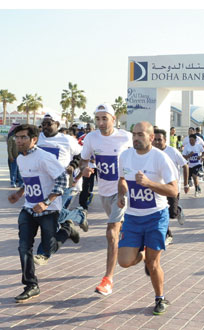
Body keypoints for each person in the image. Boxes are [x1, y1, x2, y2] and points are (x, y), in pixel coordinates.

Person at [8, 124, 77, 303]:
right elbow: (31, 180)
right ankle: (31, 285)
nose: (19, 141)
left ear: (34, 140)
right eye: (17, 137)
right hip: (29, 209)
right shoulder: (20, 159)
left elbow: (62, 179)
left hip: (49, 210)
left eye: (23, 137)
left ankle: (67, 229)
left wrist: (46, 202)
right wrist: (20, 193)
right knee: (24, 247)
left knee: (48, 248)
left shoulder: (44, 158)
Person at [116, 122, 178, 315]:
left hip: (156, 216)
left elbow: (173, 190)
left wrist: (149, 183)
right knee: (124, 262)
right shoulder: (125, 156)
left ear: (151, 138)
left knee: (153, 264)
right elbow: (122, 180)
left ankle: (160, 298)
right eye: (134, 134)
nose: (136, 138)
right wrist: (121, 195)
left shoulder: (160, 158)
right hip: (133, 217)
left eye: (141, 134)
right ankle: (142, 253)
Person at [80, 104, 132, 296]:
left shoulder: (125, 137)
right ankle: (135, 238)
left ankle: (108, 279)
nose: (101, 123)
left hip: (123, 191)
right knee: (118, 229)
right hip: (104, 191)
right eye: (98, 119)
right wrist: (84, 168)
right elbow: (83, 159)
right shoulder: (91, 138)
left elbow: (139, 156)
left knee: (111, 233)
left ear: (114, 119)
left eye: (105, 118)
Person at [34, 112, 88, 265]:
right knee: (51, 216)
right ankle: (76, 218)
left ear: (57, 124)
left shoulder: (67, 140)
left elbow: (80, 154)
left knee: (52, 218)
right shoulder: (37, 138)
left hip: (63, 185)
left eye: (49, 124)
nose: (45, 127)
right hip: (44, 186)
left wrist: (73, 166)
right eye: (43, 124)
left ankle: (43, 254)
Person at [153, 128, 188, 245]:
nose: (157, 142)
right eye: (155, 139)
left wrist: (186, 184)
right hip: (158, 188)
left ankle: (178, 210)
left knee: (172, 214)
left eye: (159, 140)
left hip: (172, 188)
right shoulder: (150, 152)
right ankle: (168, 234)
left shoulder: (172, 151)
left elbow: (185, 165)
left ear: (165, 140)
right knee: (162, 211)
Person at [7, 124, 23, 188]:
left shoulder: (21, 138)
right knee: (13, 171)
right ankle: (13, 182)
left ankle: (20, 182)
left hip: (21, 157)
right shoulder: (11, 138)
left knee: (20, 171)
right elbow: (9, 148)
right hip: (14, 157)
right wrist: (10, 156)